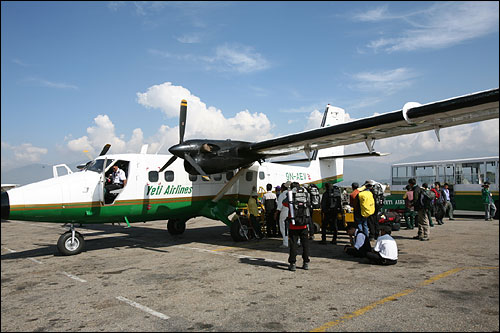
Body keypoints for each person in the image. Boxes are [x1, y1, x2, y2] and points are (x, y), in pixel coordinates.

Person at [287, 182, 311, 271]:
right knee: (305, 244)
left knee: (293, 245)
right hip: (304, 224)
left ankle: (292, 263)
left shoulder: (290, 196)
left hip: (293, 224)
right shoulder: (305, 194)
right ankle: (306, 263)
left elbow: (285, 204)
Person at [275, 182, 291, 248]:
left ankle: (285, 243)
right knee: (292, 227)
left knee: (283, 227)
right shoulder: (291, 193)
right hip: (292, 212)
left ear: (282, 188)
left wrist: (276, 214)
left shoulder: (282, 195)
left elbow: (279, 207)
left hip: (284, 212)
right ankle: (297, 241)